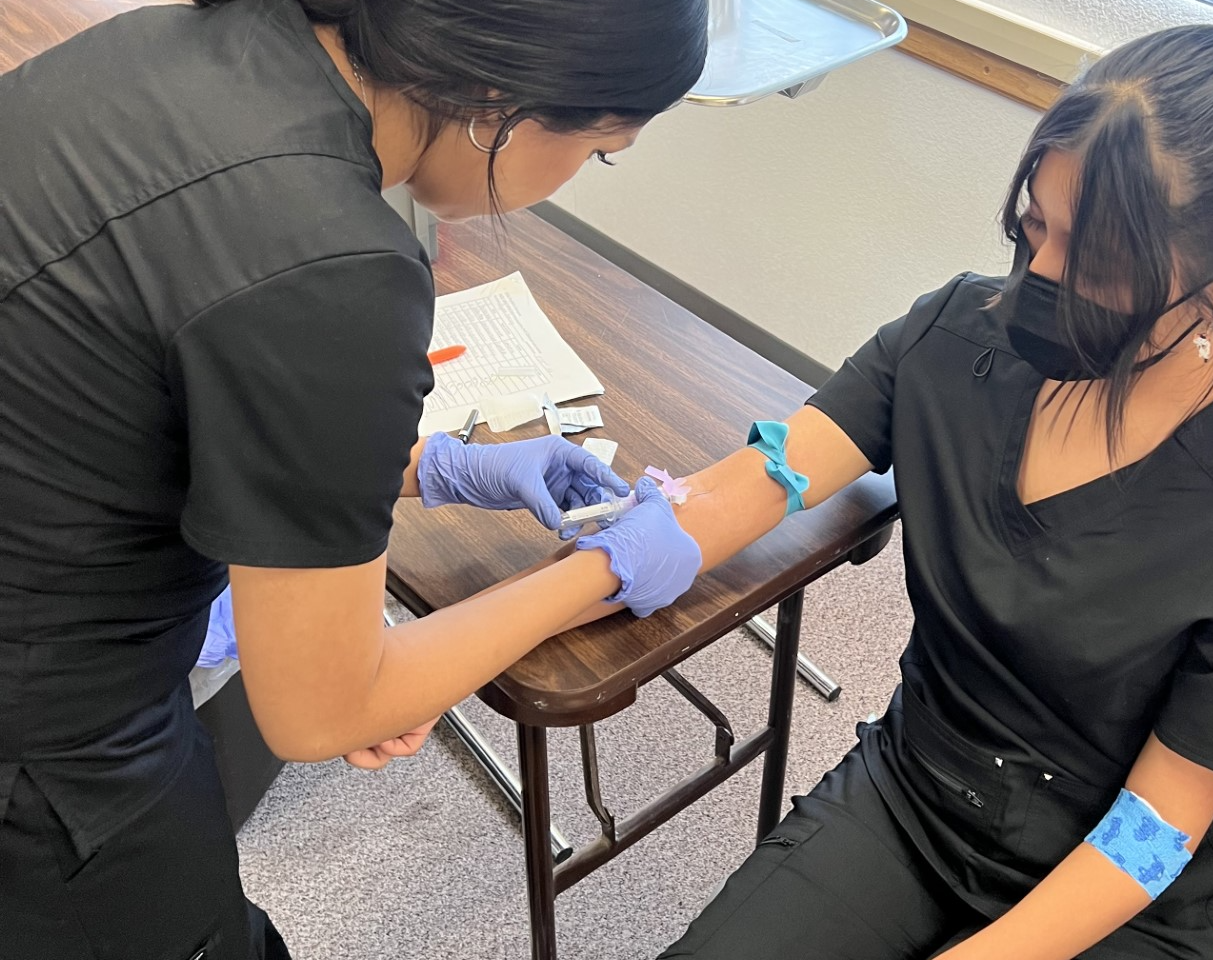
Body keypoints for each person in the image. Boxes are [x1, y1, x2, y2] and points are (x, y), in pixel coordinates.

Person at [553, 1, 1213, 957]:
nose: (1039, 275)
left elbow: (1155, 831)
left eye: (1098, 258)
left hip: (1127, 895)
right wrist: (572, 578)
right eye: (1035, 227)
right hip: (921, 795)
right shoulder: (956, 336)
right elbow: (766, 476)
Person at [0, 1, 706, 957]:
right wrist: (600, 575)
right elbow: (324, 711)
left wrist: (443, 467)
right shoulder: (333, 264)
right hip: (47, 752)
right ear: (500, 92)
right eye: (603, 148)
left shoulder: (173, 47)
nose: (582, 177)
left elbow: (183, 397)